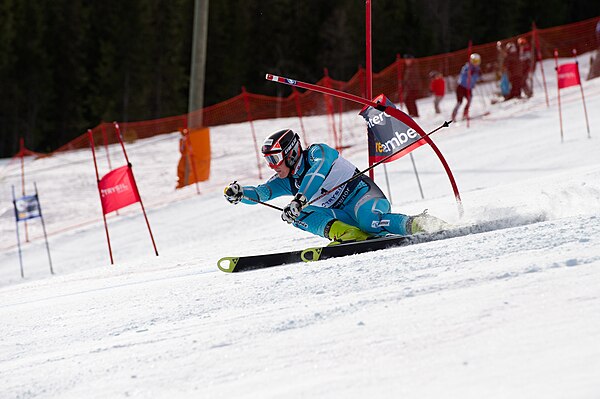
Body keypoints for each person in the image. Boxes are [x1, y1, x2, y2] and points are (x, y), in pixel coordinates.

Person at [223, 129, 449, 244]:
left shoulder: (317, 153)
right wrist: (241, 193)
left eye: (274, 159)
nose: (272, 166)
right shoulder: (285, 179)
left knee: (370, 222)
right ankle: (348, 235)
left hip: (363, 197)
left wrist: (299, 200)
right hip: (340, 213)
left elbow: (317, 174)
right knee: (293, 216)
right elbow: (263, 192)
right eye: (268, 161)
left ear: (291, 152)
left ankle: (421, 224)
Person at [451, 53, 482, 121]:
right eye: (474, 61)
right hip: (461, 87)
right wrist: (469, 72)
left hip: (469, 88)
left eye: (477, 61)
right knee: (459, 102)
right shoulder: (467, 67)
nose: (476, 63)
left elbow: (477, 78)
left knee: (470, 100)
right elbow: (464, 73)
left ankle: (465, 113)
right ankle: (454, 115)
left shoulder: (477, 69)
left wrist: (479, 75)